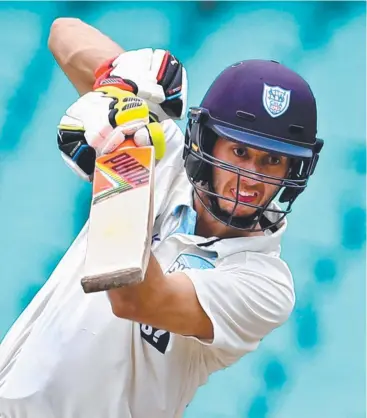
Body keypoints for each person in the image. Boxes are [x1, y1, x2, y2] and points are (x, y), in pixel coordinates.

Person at [0, 18, 323, 418]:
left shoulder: (265, 284)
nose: (251, 178)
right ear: (205, 141)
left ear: (294, 172)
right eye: (239, 152)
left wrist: (122, 155)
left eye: (272, 161)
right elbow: (63, 34)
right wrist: (118, 85)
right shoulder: (167, 153)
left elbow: (134, 296)